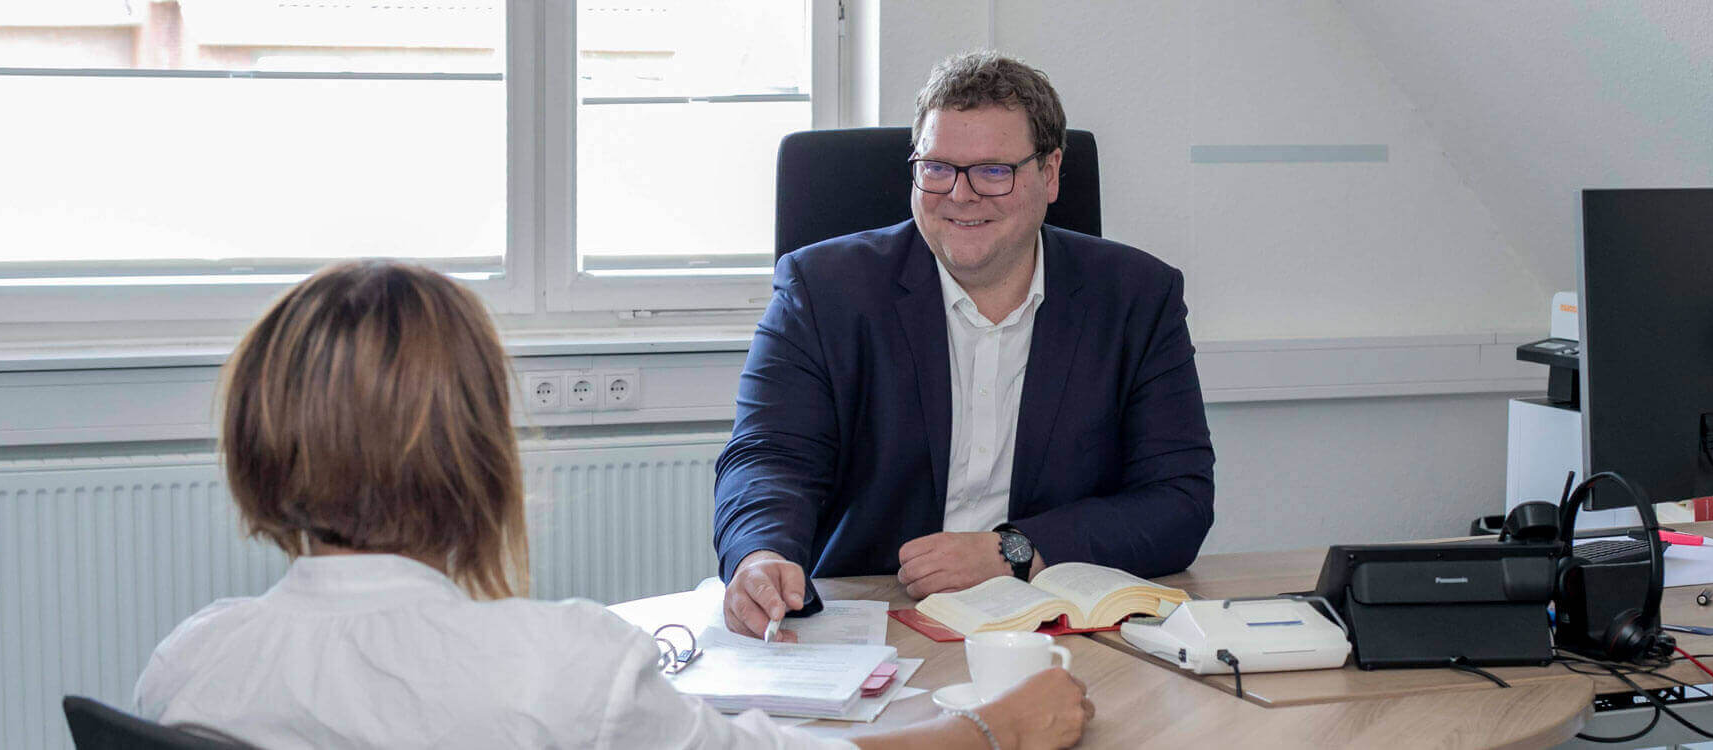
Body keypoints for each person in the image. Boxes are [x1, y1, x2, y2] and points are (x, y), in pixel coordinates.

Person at [134, 260, 1092, 749]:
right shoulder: (559, 669)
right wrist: (997, 728)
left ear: (254, 443)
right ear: (481, 455)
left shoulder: (190, 665)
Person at [716, 51, 1215, 639]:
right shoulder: (821, 290)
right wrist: (760, 554)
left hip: (1054, 625)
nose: (960, 195)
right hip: (876, 618)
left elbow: (1178, 500)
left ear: (1050, 174)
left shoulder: (1137, 297)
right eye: (938, 168)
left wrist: (1015, 549)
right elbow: (770, 457)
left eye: (993, 171)